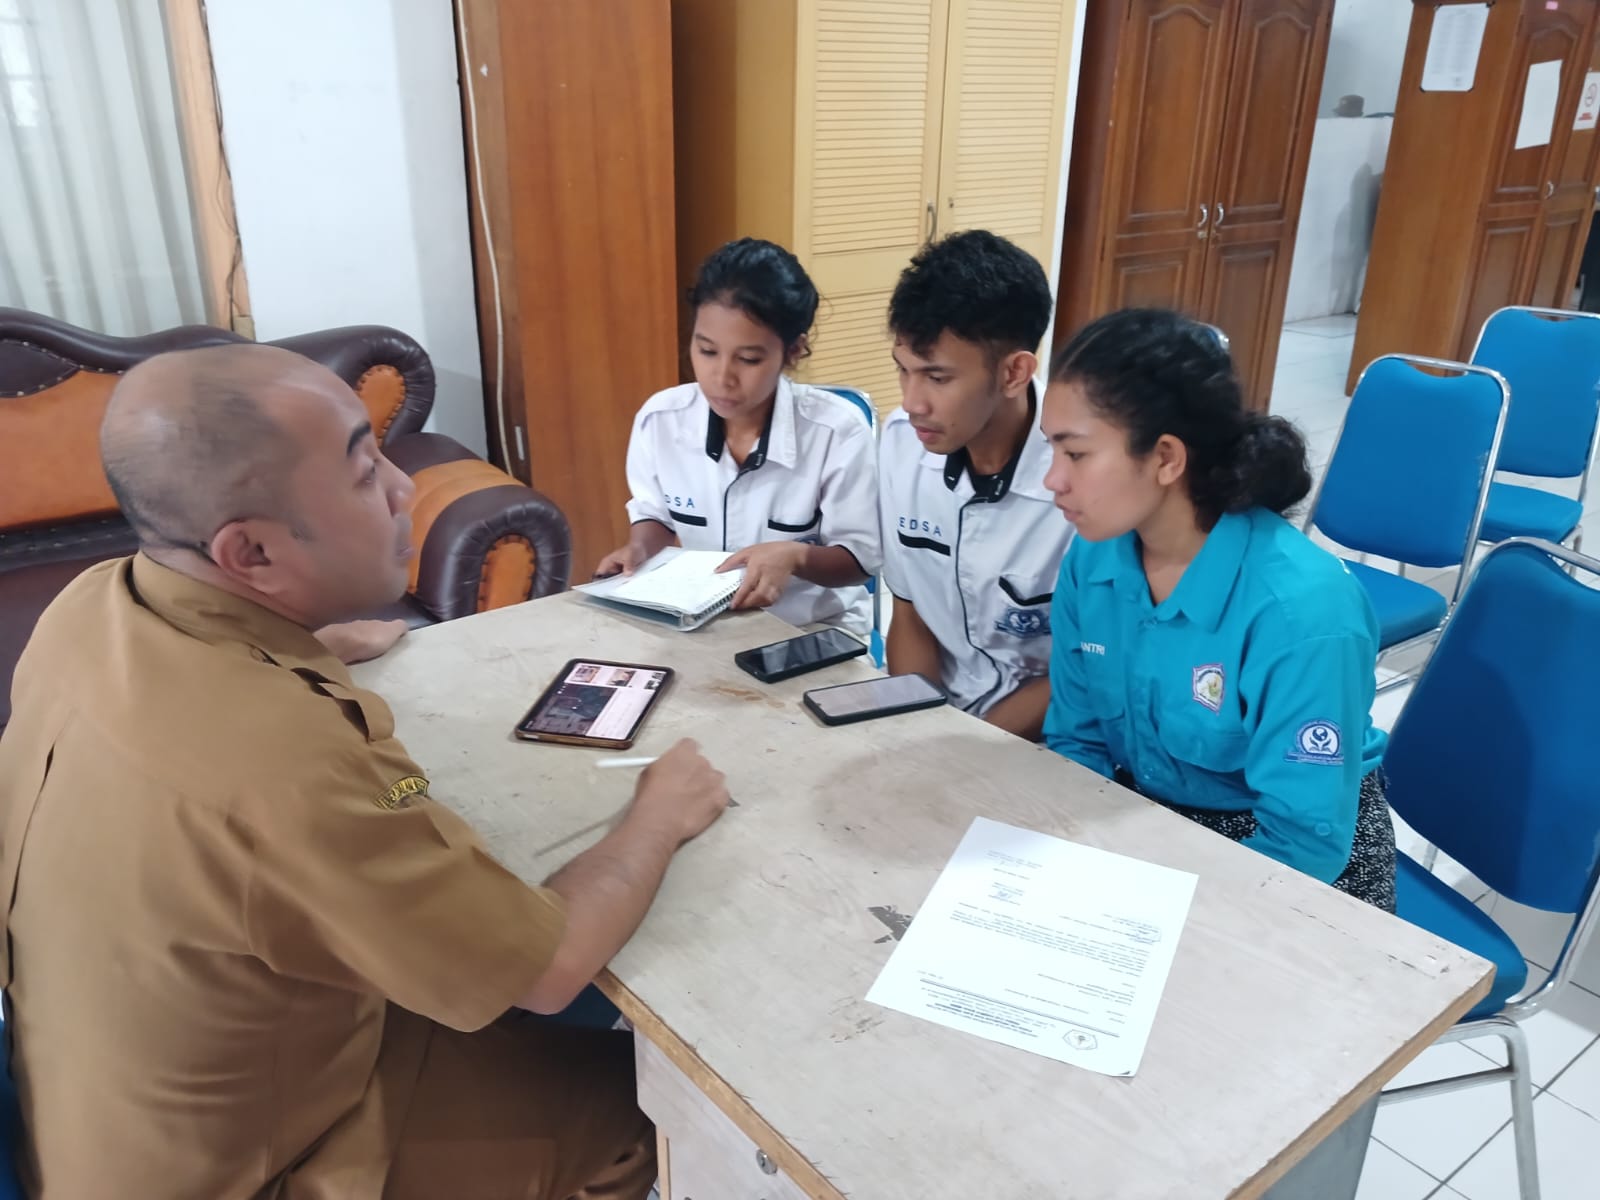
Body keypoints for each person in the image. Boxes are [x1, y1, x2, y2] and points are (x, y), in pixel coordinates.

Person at [0, 343, 731, 1199]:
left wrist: (303, 648)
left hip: (99, 1109)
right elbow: (547, 968)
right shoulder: (283, 765)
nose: (402, 489)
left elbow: (208, 693)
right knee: (645, 1109)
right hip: (247, 1168)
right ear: (251, 554)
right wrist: (659, 815)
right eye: (361, 473)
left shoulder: (91, 604)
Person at [1039, 308, 1395, 913]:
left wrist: (1153, 912)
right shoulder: (1094, 560)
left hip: (1286, 861)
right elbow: (1077, 742)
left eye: (1076, 454)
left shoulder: (1301, 613)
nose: (1053, 480)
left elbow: (1304, 845)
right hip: (1144, 818)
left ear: (1166, 458)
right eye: (1052, 450)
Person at [596, 238, 880, 636]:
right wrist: (639, 550)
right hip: (704, 626)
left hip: (812, 627)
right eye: (707, 351)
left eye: (748, 359)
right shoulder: (661, 421)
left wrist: (796, 557)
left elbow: (860, 562)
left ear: (793, 351)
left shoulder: (837, 433)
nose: (722, 377)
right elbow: (655, 513)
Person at [878, 229, 1074, 739]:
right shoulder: (901, 443)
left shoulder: (1081, 479)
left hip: (1047, 733)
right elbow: (909, 613)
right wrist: (917, 729)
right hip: (940, 719)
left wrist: (966, 751)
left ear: (1014, 373)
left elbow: (1087, 668)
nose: (911, 402)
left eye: (937, 378)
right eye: (904, 371)